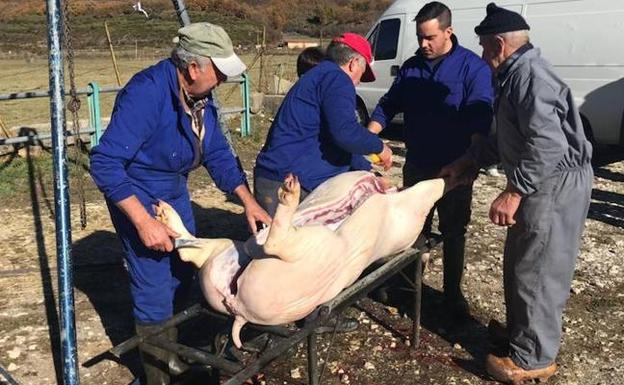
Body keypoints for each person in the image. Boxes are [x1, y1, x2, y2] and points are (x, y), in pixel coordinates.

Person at [90, 22, 271, 384]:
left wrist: (247, 201)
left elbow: (217, 153)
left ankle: (174, 357)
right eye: (218, 72)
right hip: (138, 190)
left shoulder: (200, 98)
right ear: (193, 68)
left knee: (184, 269)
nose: (221, 80)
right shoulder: (147, 94)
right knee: (155, 282)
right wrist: (143, 222)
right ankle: (157, 375)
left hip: (173, 188)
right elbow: (105, 163)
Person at [440, 3, 593, 383]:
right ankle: (522, 334)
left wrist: (513, 191)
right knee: (521, 262)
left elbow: (546, 144)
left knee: (539, 269)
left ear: (497, 44)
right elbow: (508, 138)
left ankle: (533, 359)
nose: (480, 55)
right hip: (540, 178)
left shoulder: (530, 77)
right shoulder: (513, 75)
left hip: (554, 182)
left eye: (481, 46)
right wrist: (468, 161)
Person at [367, 1, 494, 318]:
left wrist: (473, 158)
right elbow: (388, 103)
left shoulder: (472, 68)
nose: (423, 44)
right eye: (420, 37)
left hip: (455, 169)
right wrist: (370, 133)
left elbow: (481, 115)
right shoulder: (411, 67)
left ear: (448, 32)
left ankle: (453, 295)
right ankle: (408, 287)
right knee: (412, 229)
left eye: (430, 38)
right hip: (418, 164)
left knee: (453, 231)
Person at [254, 33, 393, 217]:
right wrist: (380, 147)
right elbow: (346, 132)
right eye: (362, 72)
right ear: (353, 64)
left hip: (277, 178)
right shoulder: (337, 80)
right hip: (287, 184)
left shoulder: (319, 76)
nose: (359, 81)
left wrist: (367, 172)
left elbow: (335, 139)